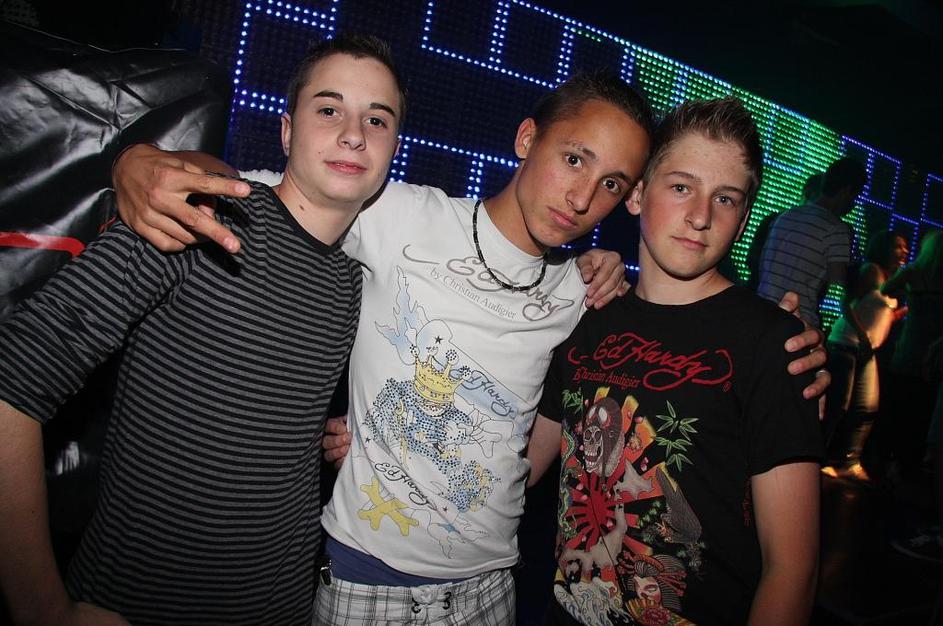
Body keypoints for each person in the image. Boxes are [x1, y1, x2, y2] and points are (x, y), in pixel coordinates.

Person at [116, 75, 829, 624]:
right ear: (526, 139)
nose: (582, 197)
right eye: (572, 159)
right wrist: (143, 161)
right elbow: (265, 190)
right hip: (368, 584)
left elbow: (522, 452)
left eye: (609, 182)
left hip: (493, 594)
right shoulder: (402, 218)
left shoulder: (583, 297)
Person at [0, 34, 407, 625]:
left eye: (377, 119)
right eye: (328, 109)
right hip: (137, 606)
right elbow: (11, 381)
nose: (353, 134)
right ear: (287, 131)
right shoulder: (196, 218)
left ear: (394, 147)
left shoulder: (354, 283)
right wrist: (43, 610)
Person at [532, 97, 822, 624]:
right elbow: (518, 468)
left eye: (725, 198)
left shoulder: (771, 342)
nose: (701, 216)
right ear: (637, 194)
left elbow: (792, 568)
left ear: (743, 219)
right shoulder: (585, 316)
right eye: (682, 187)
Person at [821, 229, 909, 480]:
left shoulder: (891, 279)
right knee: (838, 405)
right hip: (846, 345)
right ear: (884, 248)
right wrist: (861, 336)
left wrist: (899, 314)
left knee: (867, 406)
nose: (904, 251)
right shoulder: (872, 271)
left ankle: (850, 461)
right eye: (898, 246)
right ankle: (817, 457)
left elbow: (877, 313)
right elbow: (846, 303)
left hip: (865, 350)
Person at [757, 157, 866, 329]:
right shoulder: (837, 229)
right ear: (847, 191)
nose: (854, 204)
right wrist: (852, 262)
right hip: (797, 321)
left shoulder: (785, 216)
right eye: (856, 197)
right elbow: (838, 283)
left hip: (760, 310)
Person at [879, 229, 943, 480]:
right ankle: (909, 466)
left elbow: (886, 289)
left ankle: (889, 463)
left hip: (909, 349)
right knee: (922, 412)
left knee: (898, 406)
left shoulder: (915, 271)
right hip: (934, 356)